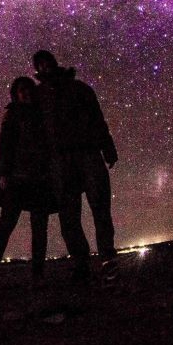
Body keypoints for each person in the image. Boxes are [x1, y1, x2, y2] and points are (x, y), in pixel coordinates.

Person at [32, 50, 119, 284]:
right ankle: (81, 264)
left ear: (54, 63)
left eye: (46, 62)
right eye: (39, 64)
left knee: (100, 208)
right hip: (59, 160)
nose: (44, 67)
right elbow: (33, 131)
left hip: (87, 152)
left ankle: (107, 260)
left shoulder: (79, 88)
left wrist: (107, 147)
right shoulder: (38, 96)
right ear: (37, 69)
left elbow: (97, 118)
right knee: (69, 217)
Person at [0, 76, 57, 295]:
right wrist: (4, 173)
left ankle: (38, 275)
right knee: (5, 226)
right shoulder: (12, 114)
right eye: (21, 90)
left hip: (40, 178)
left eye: (28, 89)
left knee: (39, 228)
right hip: (17, 177)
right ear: (16, 93)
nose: (26, 93)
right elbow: (5, 145)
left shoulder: (42, 114)